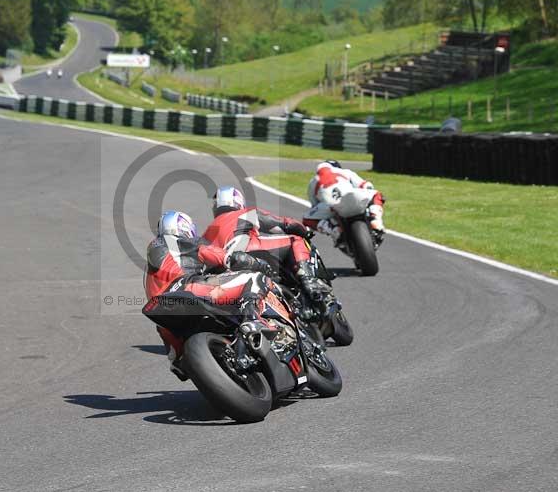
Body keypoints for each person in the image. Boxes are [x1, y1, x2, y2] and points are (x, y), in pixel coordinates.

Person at [144, 210, 274, 380]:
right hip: (190, 288)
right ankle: (252, 320)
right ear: (185, 227)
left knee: (178, 363)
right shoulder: (183, 241)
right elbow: (223, 257)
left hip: (163, 315)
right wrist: (253, 262)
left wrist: (177, 358)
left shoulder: (150, 263)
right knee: (254, 278)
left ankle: (179, 356)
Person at [202, 186, 332, 314]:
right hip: (250, 249)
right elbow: (285, 223)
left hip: (225, 269)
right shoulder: (245, 212)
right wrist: (303, 230)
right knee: (296, 240)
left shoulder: (207, 232)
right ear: (238, 201)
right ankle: (309, 280)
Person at [302, 160, 385, 244]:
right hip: (352, 197)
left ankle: (333, 230)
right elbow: (366, 185)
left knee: (306, 219)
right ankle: (375, 220)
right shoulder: (345, 172)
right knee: (377, 194)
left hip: (331, 206)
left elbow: (314, 205)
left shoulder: (313, 181)